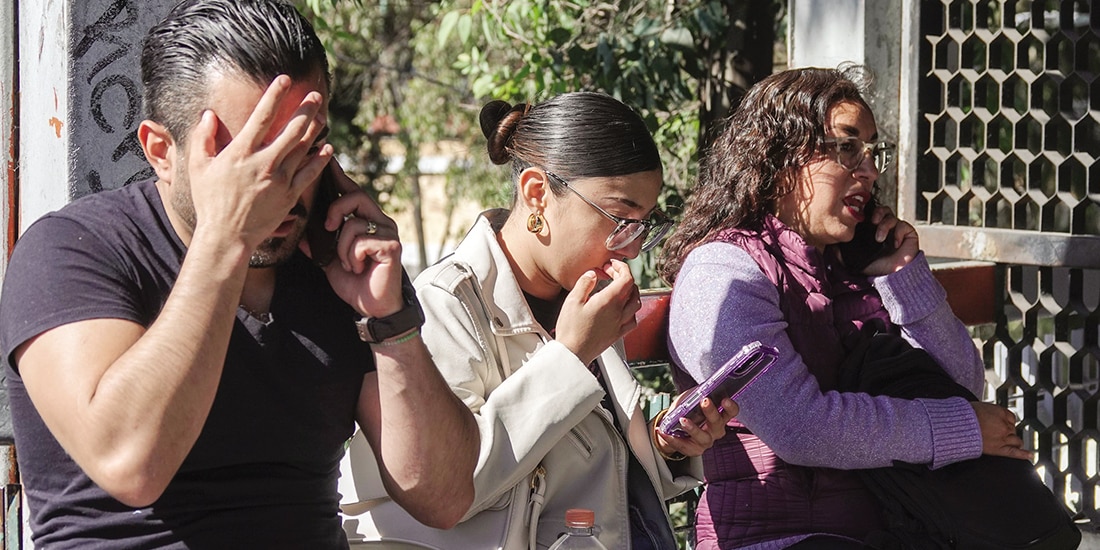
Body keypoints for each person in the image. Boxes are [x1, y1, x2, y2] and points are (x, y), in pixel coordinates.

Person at [0, 1, 477, 548]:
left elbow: (442, 498)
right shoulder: (75, 252)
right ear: (161, 151)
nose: (282, 184)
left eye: (303, 148)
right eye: (251, 154)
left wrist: (389, 320)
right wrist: (226, 239)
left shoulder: (335, 261)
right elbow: (131, 463)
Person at [660, 65, 1030, 549]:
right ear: (781, 156)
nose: (870, 169)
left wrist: (903, 275)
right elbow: (800, 428)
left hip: (894, 530)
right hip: (782, 538)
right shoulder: (724, 271)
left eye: (873, 150)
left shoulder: (853, 262)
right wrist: (960, 429)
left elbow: (960, 386)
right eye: (846, 146)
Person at [351, 92, 738, 549]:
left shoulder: (584, 294)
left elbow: (584, 463)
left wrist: (667, 443)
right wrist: (571, 355)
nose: (631, 249)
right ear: (537, 194)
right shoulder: (443, 303)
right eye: (620, 218)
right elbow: (448, 490)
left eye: (644, 225)